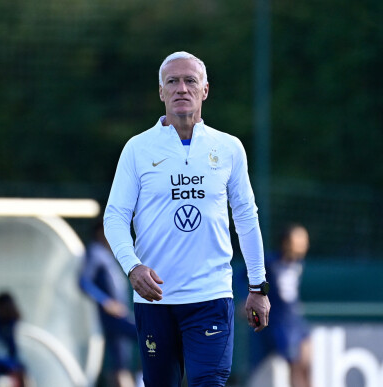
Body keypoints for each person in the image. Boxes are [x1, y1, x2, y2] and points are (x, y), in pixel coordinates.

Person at [103, 51, 270, 387]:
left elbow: (246, 218)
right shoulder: (137, 149)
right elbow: (115, 216)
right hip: (156, 300)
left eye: (190, 81)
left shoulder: (229, 148)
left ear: (205, 90)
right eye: (172, 82)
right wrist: (132, 267)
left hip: (211, 297)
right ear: (161, 92)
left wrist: (257, 286)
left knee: (208, 382)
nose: (182, 88)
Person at [79, 219, 138, 387]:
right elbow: (83, 282)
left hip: (120, 314)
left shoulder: (107, 254)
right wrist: (106, 302)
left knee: (121, 363)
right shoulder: (95, 252)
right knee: (147, 335)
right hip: (113, 318)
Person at [262, 223, 311, 387]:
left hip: (297, 320)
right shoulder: (270, 263)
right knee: (295, 365)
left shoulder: (299, 264)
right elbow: (243, 277)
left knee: (307, 364)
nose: (304, 245)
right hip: (280, 322)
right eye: (299, 239)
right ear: (286, 242)